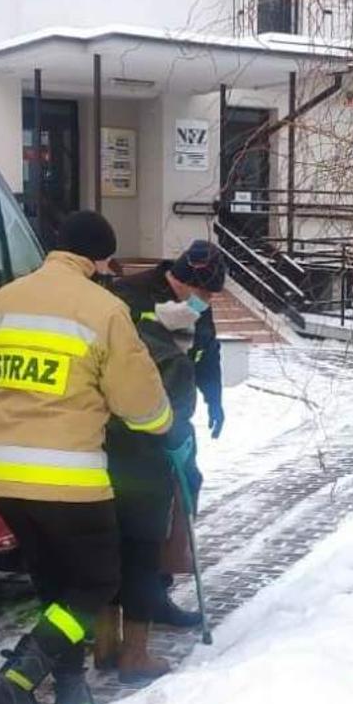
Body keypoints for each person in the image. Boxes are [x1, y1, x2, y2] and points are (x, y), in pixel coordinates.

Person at [0, 210, 178, 704]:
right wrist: (166, 427)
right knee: (97, 584)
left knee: (57, 590)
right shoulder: (103, 309)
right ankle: (15, 681)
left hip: (4, 480)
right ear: (99, 258)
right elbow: (138, 402)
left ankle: (72, 698)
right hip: (70, 482)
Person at [94, 266, 205, 682]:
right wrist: (181, 444)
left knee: (109, 556)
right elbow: (175, 421)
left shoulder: (117, 348)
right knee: (141, 560)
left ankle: (104, 647)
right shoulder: (174, 362)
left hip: (101, 466)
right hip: (146, 471)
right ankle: (135, 655)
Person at [109, 239, 228, 628]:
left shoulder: (198, 308)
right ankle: (115, 609)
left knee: (185, 487)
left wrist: (214, 398)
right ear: (185, 279)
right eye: (206, 291)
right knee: (138, 509)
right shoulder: (131, 295)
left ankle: (156, 590)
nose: (208, 301)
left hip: (175, 420)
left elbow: (208, 353)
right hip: (128, 426)